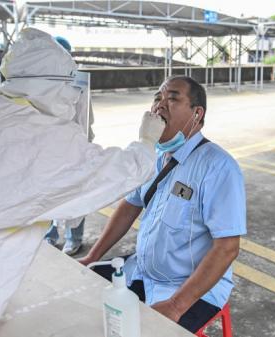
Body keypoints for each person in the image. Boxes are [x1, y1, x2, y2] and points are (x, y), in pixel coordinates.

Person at [0, 28, 166, 336]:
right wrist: (147, 143)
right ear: (55, 85)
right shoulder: (39, 136)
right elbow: (115, 173)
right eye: (71, 85)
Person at [78, 75, 246, 333]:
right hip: (140, 272)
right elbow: (129, 206)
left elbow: (227, 248)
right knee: (82, 297)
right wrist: (93, 255)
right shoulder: (154, 156)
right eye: (157, 98)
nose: (160, 105)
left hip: (186, 289)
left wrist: (177, 305)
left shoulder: (219, 167)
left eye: (172, 98)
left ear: (196, 113)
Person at [43, 36, 86, 255]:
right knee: (47, 193)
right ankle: (49, 234)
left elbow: (86, 117)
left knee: (76, 194)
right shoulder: (42, 79)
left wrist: (82, 144)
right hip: (48, 148)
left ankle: (74, 237)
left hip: (73, 146)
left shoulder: (79, 79)